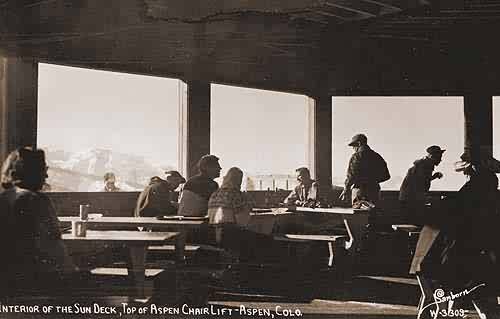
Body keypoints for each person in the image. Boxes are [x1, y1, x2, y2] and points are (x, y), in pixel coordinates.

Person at [412, 148, 500, 318]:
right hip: (484, 256)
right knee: (485, 304)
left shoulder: (471, 191)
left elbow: (452, 216)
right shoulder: (490, 192)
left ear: (473, 169)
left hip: (465, 257)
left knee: (457, 301)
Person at [0, 147, 79, 297]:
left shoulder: (3, 199)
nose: (47, 175)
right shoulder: (38, 201)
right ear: (32, 172)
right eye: (43, 169)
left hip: (7, 287)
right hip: (39, 287)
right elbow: (57, 255)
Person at [208, 167, 274, 261]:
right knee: (268, 240)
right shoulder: (235, 194)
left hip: (213, 235)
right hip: (230, 235)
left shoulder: (214, 194)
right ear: (237, 180)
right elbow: (243, 222)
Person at [339, 134, 390, 208]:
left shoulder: (356, 156)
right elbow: (386, 176)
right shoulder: (377, 157)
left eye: (354, 145)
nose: (353, 148)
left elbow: (351, 176)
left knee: (360, 217)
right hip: (374, 192)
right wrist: (373, 181)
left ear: (359, 144)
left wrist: (346, 189)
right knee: (373, 216)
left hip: (360, 192)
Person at [399, 145, 445, 225]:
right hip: (411, 199)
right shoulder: (424, 166)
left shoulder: (423, 164)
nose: (440, 160)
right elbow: (419, 184)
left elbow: (422, 180)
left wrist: (434, 176)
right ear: (432, 156)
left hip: (409, 198)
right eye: (439, 157)